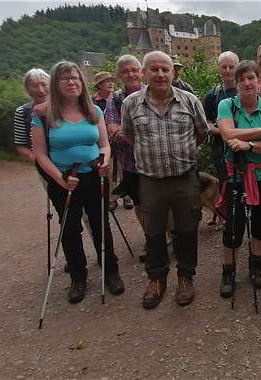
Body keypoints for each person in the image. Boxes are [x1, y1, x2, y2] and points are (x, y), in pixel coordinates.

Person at [31, 61, 124, 303]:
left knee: (100, 223)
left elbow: (103, 143)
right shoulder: (43, 115)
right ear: (56, 84)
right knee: (70, 228)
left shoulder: (94, 111)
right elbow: (40, 153)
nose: (72, 82)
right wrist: (60, 179)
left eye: (75, 78)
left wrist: (105, 162)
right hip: (63, 179)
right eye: (65, 79)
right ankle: (78, 277)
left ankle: (110, 270)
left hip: (93, 175)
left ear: (82, 82)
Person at [120, 51, 207, 309]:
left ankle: (185, 278)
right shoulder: (131, 104)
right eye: (154, 69)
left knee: (187, 230)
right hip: (151, 181)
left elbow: (201, 133)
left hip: (184, 178)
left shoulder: (190, 101)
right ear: (144, 73)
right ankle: (156, 279)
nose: (160, 74)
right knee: (154, 232)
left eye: (165, 69)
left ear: (173, 73)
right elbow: (129, 135)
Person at [215, 60, 261, 297]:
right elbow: (226, 134)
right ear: (236, 84)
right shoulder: (227, 105)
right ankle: (229, 270)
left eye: (251, 78)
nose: (246, 82)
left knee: (260, 225)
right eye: (242, 79)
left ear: (258, 81)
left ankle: (255, 265)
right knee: (233, 228)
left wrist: (247, 145)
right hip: (236, 176)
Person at [105, 55, 146, 259]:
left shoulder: (153, 92)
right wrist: (146, 135)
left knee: (162, 202)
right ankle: (150, 237)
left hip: (157, 163)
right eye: (125, 71)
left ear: (141, 71)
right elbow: (113, 129)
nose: (131, 74)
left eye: (134, 69)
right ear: (120, 75)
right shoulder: (116, 99)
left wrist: (127, 132)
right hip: (132, 165)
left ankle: (167, 235)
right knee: (139, 204)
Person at [204, 51, 239, 188]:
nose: (228, 70)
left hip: (246, 148)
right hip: (221, 151)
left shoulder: (247, 90)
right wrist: (224, 132)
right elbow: (206, 122)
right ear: (219, 68)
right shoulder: (212, 95)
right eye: (224, 67)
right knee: (226, 188)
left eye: (231, 67)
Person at [91, 71, 120, 210]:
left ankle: (125, 196)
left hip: (118, 140)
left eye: (111, 80)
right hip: (102, 143)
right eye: (106, 81)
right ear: (99, 85)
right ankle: (112, 198)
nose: (110, 83)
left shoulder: (117, 98)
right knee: (107, 170)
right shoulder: (92, 102)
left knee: (121, 169)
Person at [13, 68, 49, 162]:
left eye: (44, 84)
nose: (41, 90)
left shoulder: (64, 108)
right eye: (34, 86)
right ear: (28, 90)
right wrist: (41, 163)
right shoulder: (22, 112)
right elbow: (21, 145)